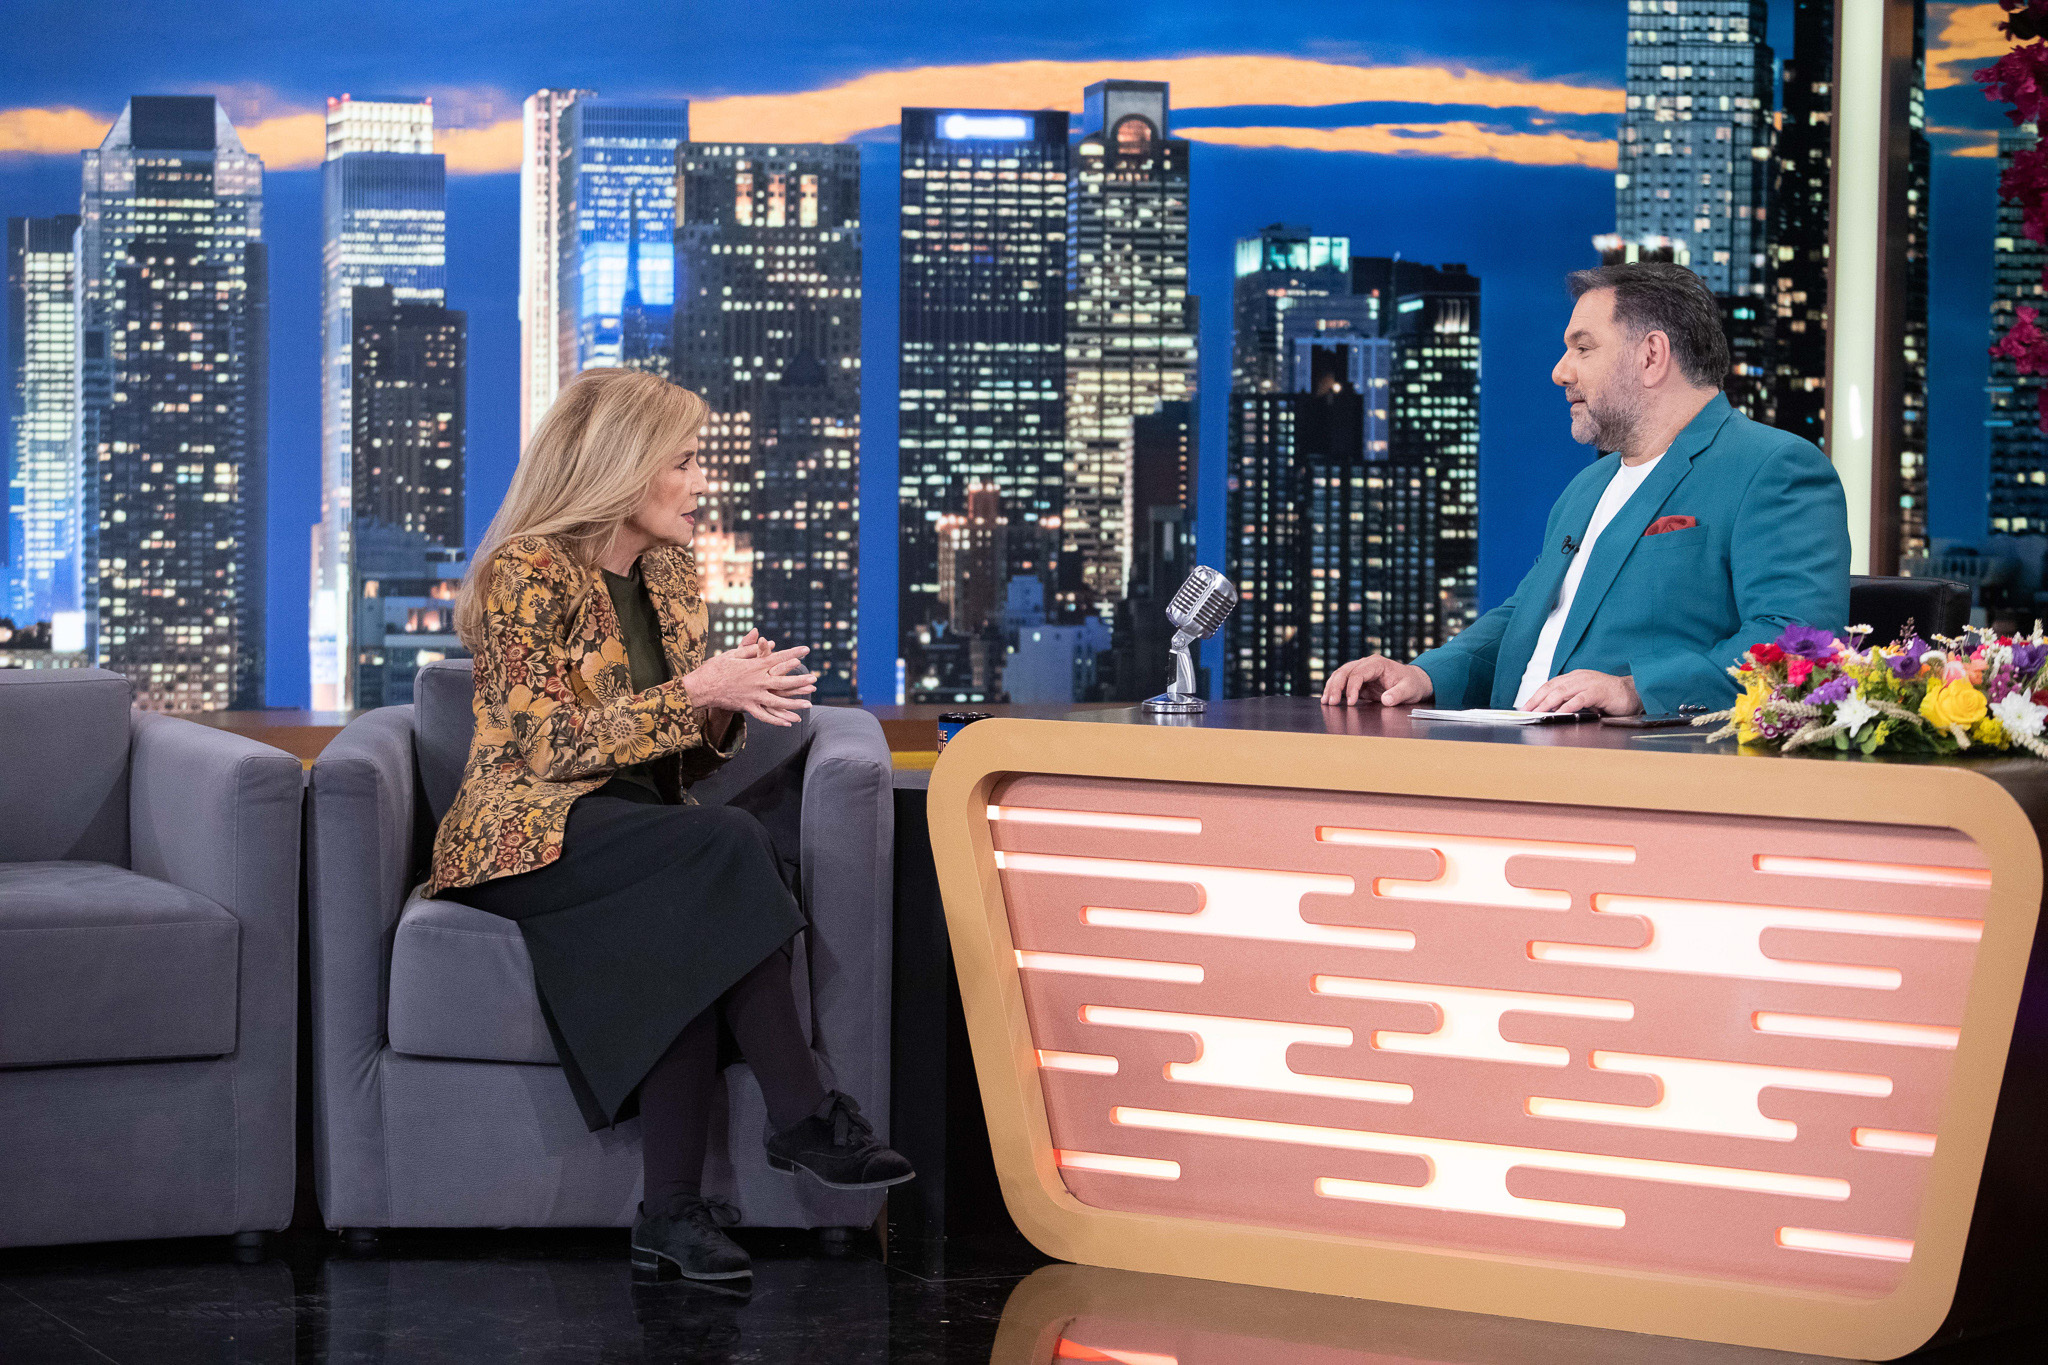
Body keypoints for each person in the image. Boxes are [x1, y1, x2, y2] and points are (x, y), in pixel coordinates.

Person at [423, 367, 912, 1285]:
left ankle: (671, 1214)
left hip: (637, 830)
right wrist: (697, 689)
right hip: (523, 834)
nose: (699, 483)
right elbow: (550, 746)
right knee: (727, 846)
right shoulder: (527, 572)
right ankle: (803, 1111)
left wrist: (725, 702)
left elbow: (676, 762)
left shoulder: (672, 574)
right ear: (622, 464)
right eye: (683, 462)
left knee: (688, 911)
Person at [1321, 261, 1850, 715]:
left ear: (1651, 356)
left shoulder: (1774, 467)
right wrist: (1424, 675)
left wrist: (1636, 691)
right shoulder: (1587, 486)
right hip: (1510, 756)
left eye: (1583, 348)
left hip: (1641, 770)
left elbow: (1800, 646)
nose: (1560, 372)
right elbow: (1524, 618)